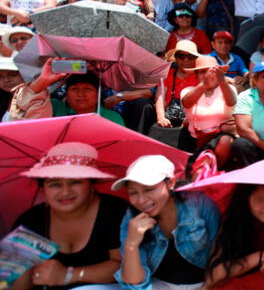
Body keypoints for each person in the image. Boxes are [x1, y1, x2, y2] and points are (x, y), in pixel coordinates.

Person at [11, 142, 128, 290]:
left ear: (92, 184)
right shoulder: (31, 220)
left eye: (75, 182)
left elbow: (125, 267)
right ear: (43, 189)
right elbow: (16, 280)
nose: (65, 192)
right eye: (55, 184)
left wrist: (68, 275)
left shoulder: (115, 211)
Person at [112, 155, 220, 290]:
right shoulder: (132, 217)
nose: (141, 200)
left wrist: (209, 285)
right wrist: (131, 244)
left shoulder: (199, 203)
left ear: (170, 183)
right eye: (133, 193)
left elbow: (221, 254)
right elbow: (134, 282)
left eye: (149, 190)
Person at [205, 184, 264, 289]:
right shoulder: (233, 221)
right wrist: (261, 256)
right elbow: (212, 276)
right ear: (245, 199)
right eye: (260, 200)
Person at [10, 58, 124, 125]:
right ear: (66, 94)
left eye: (87, 89)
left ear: (98, 94)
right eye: (74, 89)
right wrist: (42, 81)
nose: (81, 94)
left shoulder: (112, 117)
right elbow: (22, 111)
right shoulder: (53, 106)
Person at [181, 56, 237, 166]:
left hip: (222, 141)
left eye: (211, 71)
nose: (208, 75)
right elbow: (186, 103)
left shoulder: (228, 88)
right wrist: (203, 85)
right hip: (197, 141)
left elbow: (231, 101)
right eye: (202, 72)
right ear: (196, 75)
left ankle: (215, 169)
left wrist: (222, 81)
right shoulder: (188, 91)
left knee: (225, 140)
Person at [155, 40, 199, 129]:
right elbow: (160, 97)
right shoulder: (167, 74)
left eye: (190, 57)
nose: (186, 60)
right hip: (168, 119)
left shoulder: (201, 76)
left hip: (193, 121)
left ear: (195, 58)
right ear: (176, 58)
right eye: (181, 56)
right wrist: (161, 118)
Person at [0, 56, 24, 121]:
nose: (6, 80)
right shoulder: (2, 100)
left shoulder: (37, 99)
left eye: (13, 74)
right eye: (0, 77)